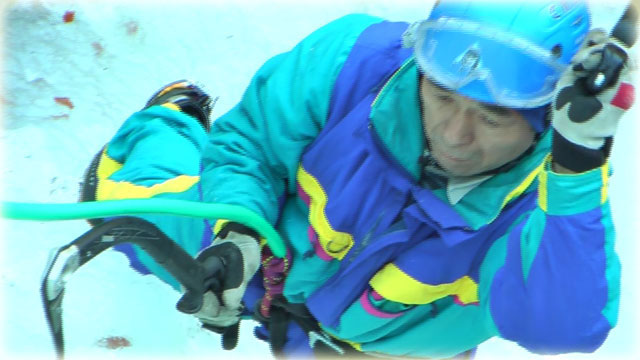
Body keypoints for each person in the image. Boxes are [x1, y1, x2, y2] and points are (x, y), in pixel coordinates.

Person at [79, 1, 636, 358]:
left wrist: (579, 165)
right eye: (441, 97)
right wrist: (236, 234)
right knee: (114, 207)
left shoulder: (547, 203)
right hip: (260, 253)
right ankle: (171, 122)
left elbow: (562, 328)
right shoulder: (353, 60)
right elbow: (249, 145)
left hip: (384, 344)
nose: (456, 136)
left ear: (543, 118)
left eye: (492, 117)